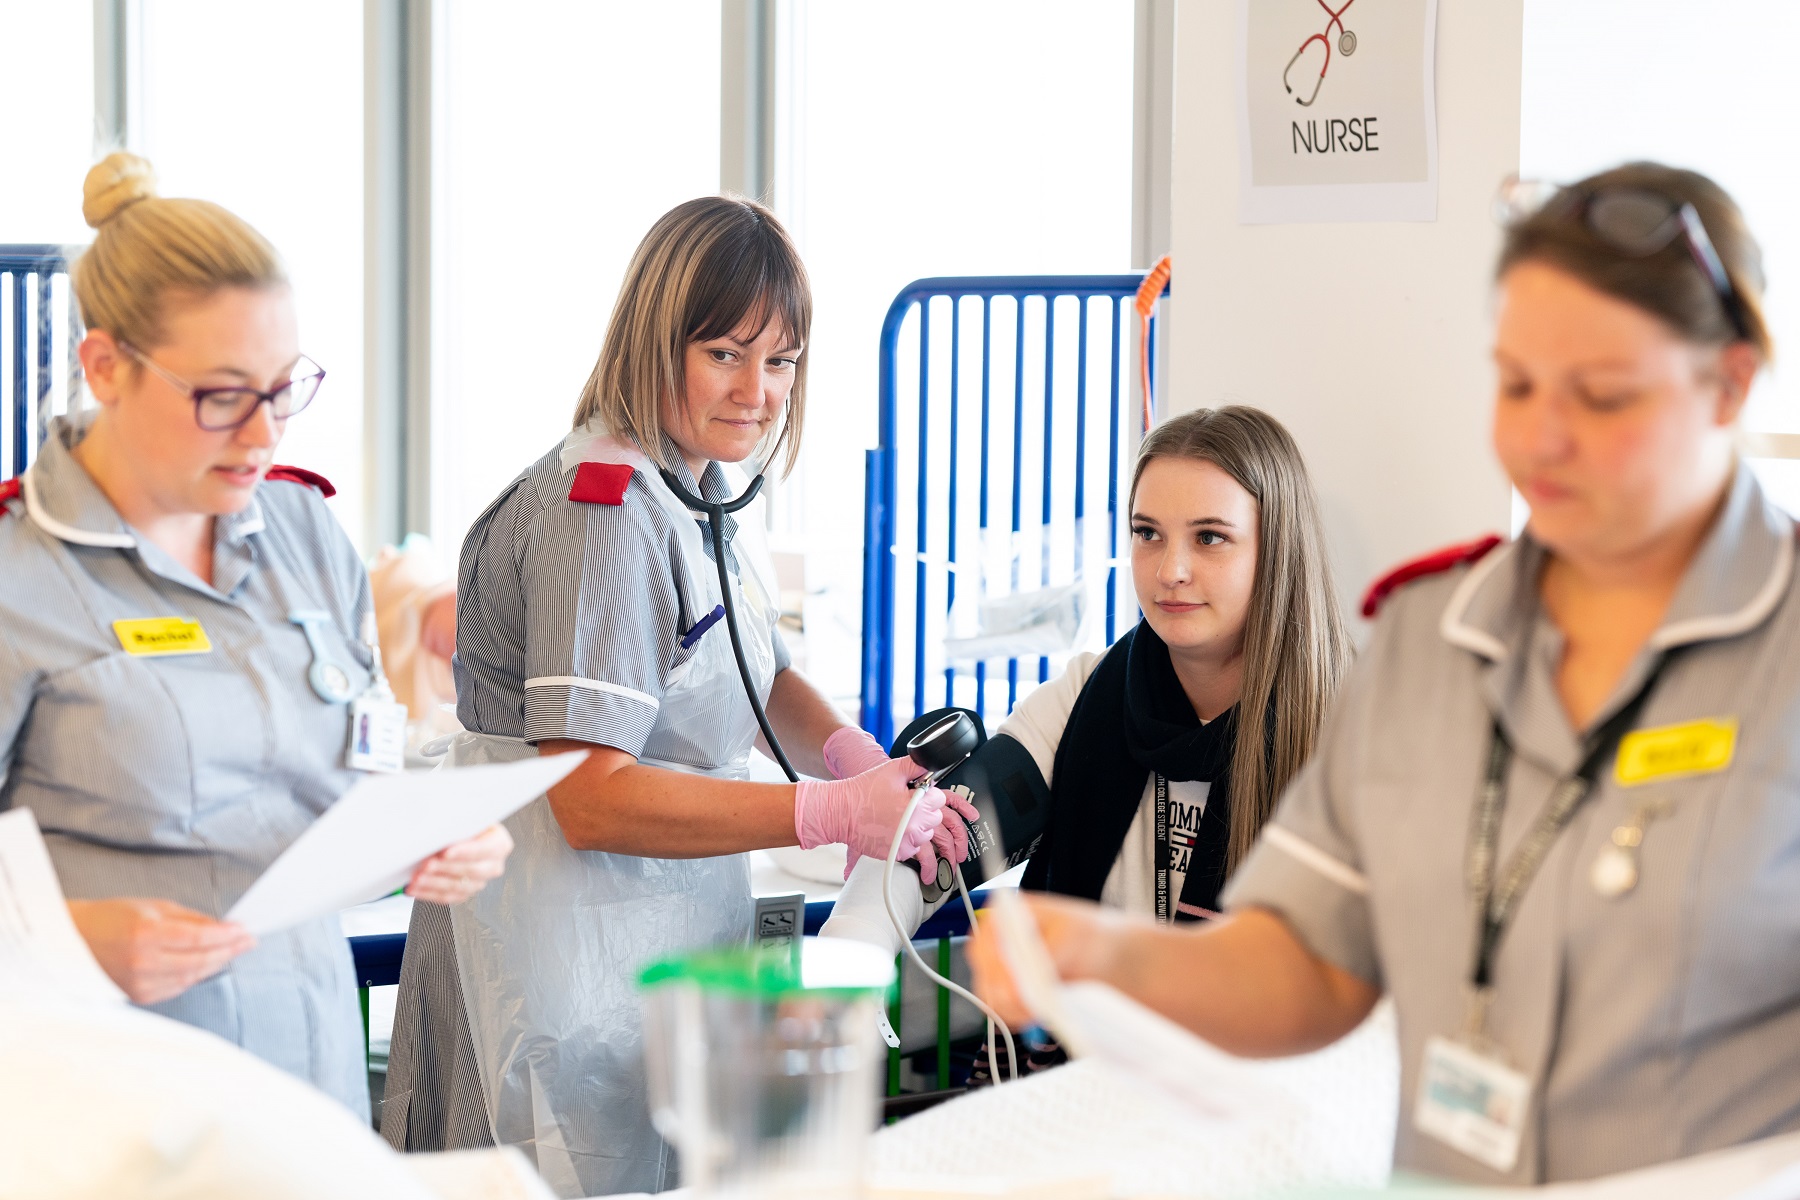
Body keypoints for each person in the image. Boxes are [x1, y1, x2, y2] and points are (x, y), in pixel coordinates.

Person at [970, 162, 1796, 1185]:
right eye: (1517, 382)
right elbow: (1313, 959)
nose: (1539, 437)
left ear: (1729, 385)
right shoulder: (1431, 645)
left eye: (1601, 394)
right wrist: (1101, 954)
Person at [382, 196, 963, 1197]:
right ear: (660, 344)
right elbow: (591, 795)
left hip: (643, 941)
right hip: (543, 950)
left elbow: (757, 668)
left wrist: (854, 757)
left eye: (780, 362)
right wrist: (825, 813)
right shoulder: (601, 515)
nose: (759, 391)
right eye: (727, 355)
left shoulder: (692, 489)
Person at [0, 153, 513, 1119]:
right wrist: (63, 935)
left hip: (307, 1082)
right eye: (222, 395)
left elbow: (346, 772)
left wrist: (423, 836)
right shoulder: (18, 579)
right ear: (104, 367)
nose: (262, 434)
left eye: (283, 390)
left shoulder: (304, 534)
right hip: (106, 1102)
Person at [823, 406, 1350, 1081]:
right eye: (1148, 534)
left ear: (1276, 549)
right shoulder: (1090, 694)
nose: (1171, 570)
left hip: (1248, 1114)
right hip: (1072, 1097)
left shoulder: (1346, 729)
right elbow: (936, 837)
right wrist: (850, 953)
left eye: (1211, 538)